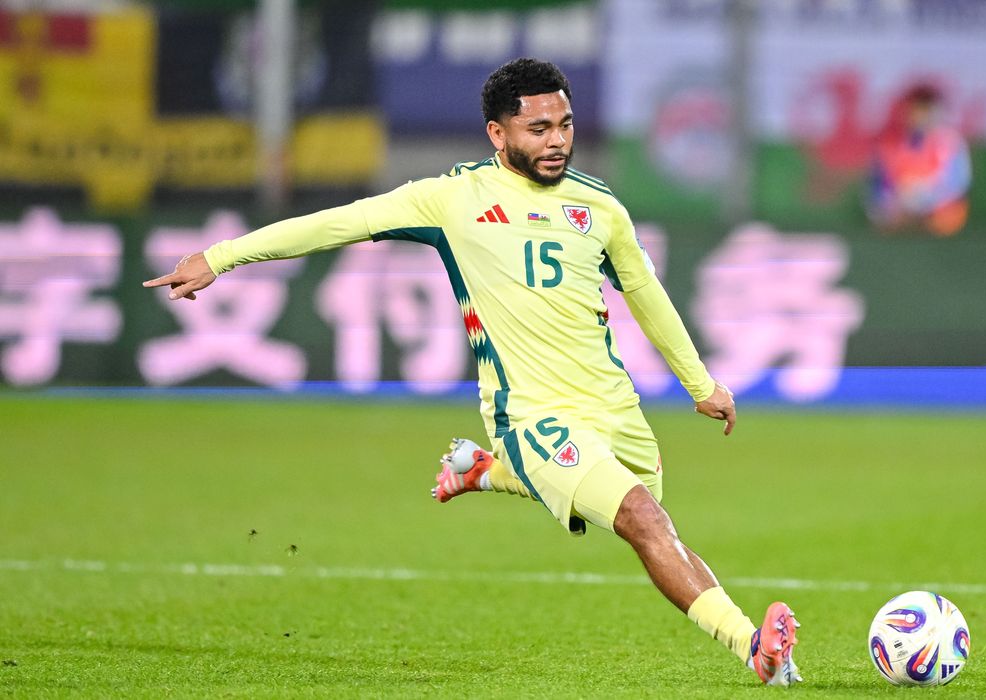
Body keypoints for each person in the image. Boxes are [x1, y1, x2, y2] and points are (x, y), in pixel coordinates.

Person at [143, 58, 802, 686]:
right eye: (538, 128)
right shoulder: (452, 199)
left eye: (565, 125)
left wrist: (700, 385)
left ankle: (484, 471)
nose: (557, 141)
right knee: (642, 522)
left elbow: (644, 293)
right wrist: (222, 256)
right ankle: (753, 648)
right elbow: (338, 223)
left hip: (612, 406)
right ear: (498, 132)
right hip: (529, 411)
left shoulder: (599, 207)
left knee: (658, 525)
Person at [866, 83, 971, 237]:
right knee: (883, 215)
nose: (921, 116)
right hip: (899, 206)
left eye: (926, 110)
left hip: (937, 207)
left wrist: (928, 197)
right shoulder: (890, 144)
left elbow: (958, 183)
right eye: (917, 110)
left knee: (950, 216)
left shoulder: (951, 142)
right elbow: (879, 184)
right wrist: (898, 198)